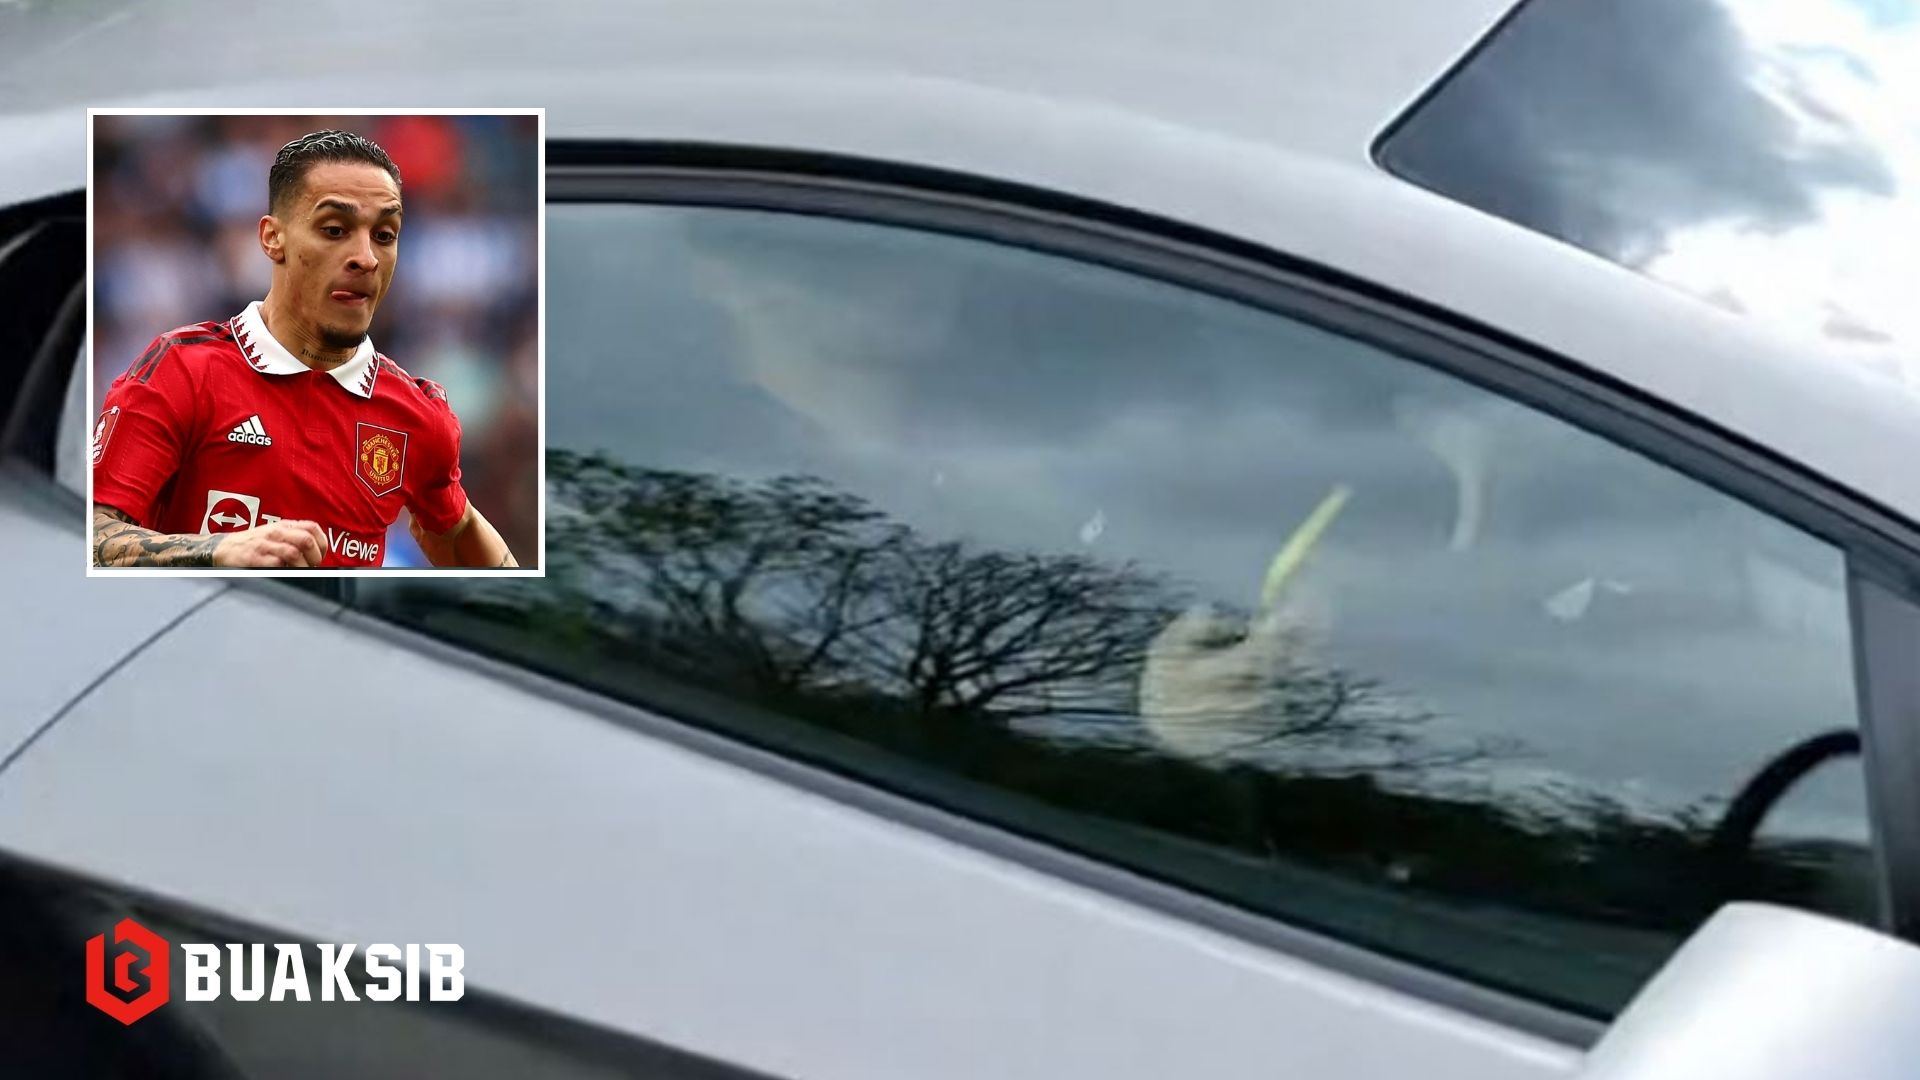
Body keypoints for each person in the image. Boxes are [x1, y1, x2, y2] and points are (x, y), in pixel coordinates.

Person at [91, 129, 518, 568]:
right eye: (334, 230)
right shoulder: (182, 371)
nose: (366, 257)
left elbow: (459, 532)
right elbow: (91, 538)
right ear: (272, 238)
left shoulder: (417, 416)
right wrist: (216, 550)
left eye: (384, 235)